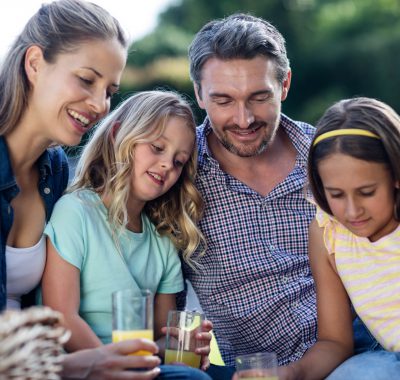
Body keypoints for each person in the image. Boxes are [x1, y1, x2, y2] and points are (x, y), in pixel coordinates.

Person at [0, 0, 167, 378]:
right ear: (35, 64)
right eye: (87, 80)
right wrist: (80, 365)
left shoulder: (55, 172)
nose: (99, 104)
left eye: (110, 90)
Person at [41, 90, 213, 380]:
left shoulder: (162, 241)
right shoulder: (76, 212)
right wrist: (114, 367)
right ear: (119, 135)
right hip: (82, 367)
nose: (167, 165)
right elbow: (61, 318)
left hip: (138, 371)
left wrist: (181, 345)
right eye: (157, 147)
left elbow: (159, 339)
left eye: (179, 161)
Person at [183, 12, 317, 378]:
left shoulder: (325, 155)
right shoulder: (176, 172)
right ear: (198, 93)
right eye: (223, 100)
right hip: (256, 371)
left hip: (354, 348)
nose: (243, 120)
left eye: (259, 97)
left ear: (284, 84)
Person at [278, 97, 400, 379]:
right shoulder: (327, 234)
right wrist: (293, 373)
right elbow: (335, 342)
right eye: (336, 195)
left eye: (367, 192)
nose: (352, 211)